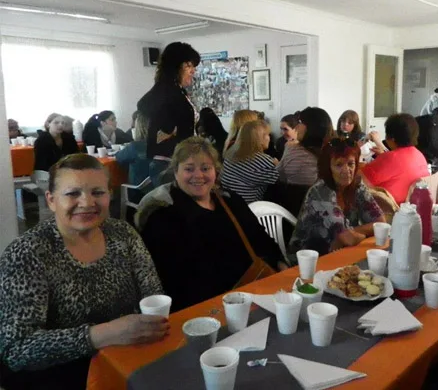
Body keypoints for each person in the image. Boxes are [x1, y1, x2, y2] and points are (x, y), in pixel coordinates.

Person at [0, 154, 166, 390]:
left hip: (127, 361)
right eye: (72, 193)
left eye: (98, 192)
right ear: (51, 200)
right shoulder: (27, 253)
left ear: (109, 194)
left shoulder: (123, 233)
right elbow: (17, 348)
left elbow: (153, 294)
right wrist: (103, 334)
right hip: (63, 377)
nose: (87, 202)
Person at [136, 137, 286, 312]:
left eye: (205, 168)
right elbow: (168, 280)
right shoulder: (162, 216)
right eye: (189, 169)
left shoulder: (231, 201)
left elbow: (261, 238)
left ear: (216, 171)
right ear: (176, 172)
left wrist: (280, 264)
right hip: (203, 309)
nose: (198, 175)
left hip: (252, 295)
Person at [289, 138, 385, 258]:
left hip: (340, 252)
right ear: (328, 168)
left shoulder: (356, 186)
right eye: (339, 165)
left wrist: (353, 232)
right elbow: (348, 239)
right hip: (308, 261)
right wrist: (353, 234)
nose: (346, 171)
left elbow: (381, 223)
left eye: (351, 164)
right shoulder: (321, 192)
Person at [137, 42, 201, 187]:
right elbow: (143, 105)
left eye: (193, 67)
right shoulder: (167, 89)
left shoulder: (178, 91)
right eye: (188, 66)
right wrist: (168, 128)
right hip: (168, 162)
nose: (193, 71)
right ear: (175, 67)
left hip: (181, 158)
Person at [362, 113, 430, 204]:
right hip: (413, 208)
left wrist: (358, 155)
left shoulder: (389, 158)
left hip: (390, 211)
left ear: (392, 138)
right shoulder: (419, 155)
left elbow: (361, 182)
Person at [220, 120, 279, 203]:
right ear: (260, 139)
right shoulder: (262, 160)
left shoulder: (231, 152)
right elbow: (283, 179)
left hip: (228, 203)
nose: (269, 138)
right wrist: (278, 165)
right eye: (267, 135)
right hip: (248, 208)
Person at [277, 107, 334, 186]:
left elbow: (280, 176)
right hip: (322, 197)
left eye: (300, 122)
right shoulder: (333, 151)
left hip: (292, 196)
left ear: (311, 126)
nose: (296, 127)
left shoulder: (291, 148)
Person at [116, 112, 151, 186]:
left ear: (138, 127)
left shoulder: (135, 146)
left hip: (137, 190)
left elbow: (119, 158)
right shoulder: (163, 144)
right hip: (157, 188)